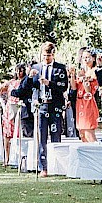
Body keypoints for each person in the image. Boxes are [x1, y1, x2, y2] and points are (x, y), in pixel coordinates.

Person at [27, 42, 68, 175]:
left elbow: (63, 86)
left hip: (55, 105)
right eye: (44, 55)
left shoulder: (60, 68)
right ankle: (43, 167)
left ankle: (57, 166)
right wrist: (29, 77)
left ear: (53, 54)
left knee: (56, 136)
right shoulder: (36, 68)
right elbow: (28, 87)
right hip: (41, 106)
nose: (46, 58)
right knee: (41, 137)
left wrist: (49, 83)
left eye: (48, 55)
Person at [72, 48, 100, 143]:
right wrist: (72, 75)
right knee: (82, 134)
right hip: (80, 103)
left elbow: (89, 92)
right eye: (83, 57)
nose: (85, 60)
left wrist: (84, 79)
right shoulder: (81, 71)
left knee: (89, 132)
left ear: (93, 58)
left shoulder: (94, 72)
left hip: (88, 103)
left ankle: (96, 154)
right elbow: (74, 87)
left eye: (88, 57)